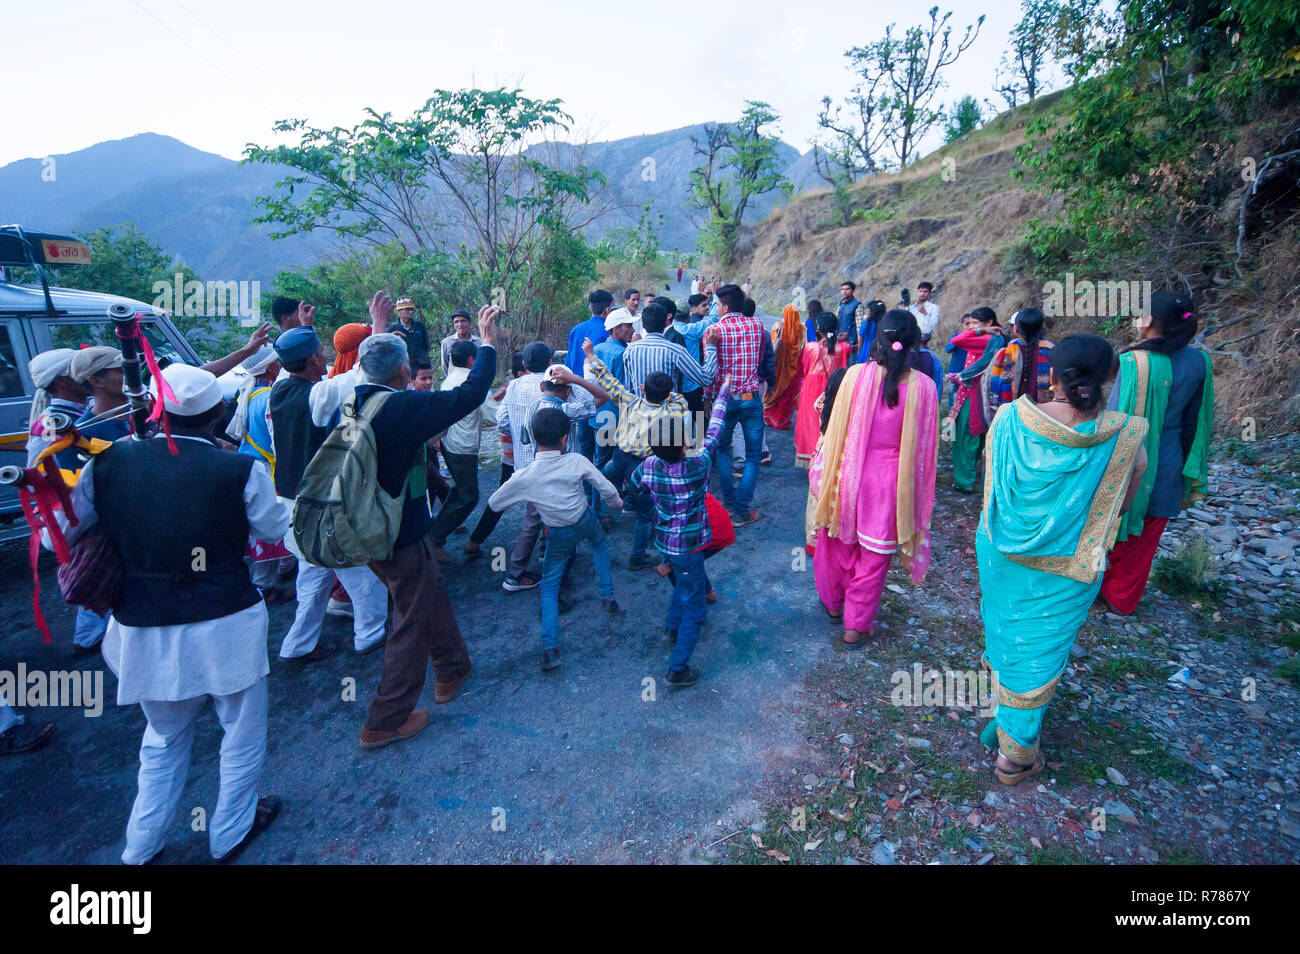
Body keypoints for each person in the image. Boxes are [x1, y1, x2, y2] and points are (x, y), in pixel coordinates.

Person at [61, 362, 289, 864]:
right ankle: (230, 831)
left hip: (142, 626)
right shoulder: (239, 469)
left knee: (162, 740)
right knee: (241, 731)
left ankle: (140, 847)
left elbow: (68, 526)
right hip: (226, 622)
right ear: (217, 416)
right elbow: (273, 529)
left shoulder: (109, 463)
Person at [978, 334, 1149, 784]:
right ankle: (1014, 755)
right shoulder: (1127, 435)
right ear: (1110, 379)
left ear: (1050, 376)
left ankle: (1007, 720)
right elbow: (1124, 500)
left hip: (1002, 551)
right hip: (1071, 562)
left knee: (1008, 631)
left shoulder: (1012, 418)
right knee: (1041, 650)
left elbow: (992, 482)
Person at [344, 309, 497, 749]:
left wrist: (377, 329)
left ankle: (452, 668)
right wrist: (487, 343)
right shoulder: (403, 407)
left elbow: (373, 363)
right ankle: (384, 719)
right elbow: (470, 394)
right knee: (410, 615)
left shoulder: (356, 397)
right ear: (403, 371)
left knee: (427, 591)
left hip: (369, 525)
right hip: (400, 531)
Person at [810, 311, 938, 649]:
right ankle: (856, 625)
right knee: (874, 557)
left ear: (877, 338)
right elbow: (926, 450)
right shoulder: (925, 388)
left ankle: (835, 605)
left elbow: (835, 432)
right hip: (892, 487)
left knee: (838, 543)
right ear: (914, 343)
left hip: (848, 477)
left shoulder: (854, 376)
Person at [269, 325, 388, 660]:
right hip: (322, 508)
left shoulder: (277, 391)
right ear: (310, 360)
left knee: (313, 580)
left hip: (292, 504)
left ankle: (297, 645)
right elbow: (360, 373)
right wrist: (377, 327)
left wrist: (296, 328)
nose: (326, 357)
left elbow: (288, 360)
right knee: (363, 576)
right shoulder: (317, 396)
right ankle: (370, 636)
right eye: (321, 352)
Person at [1099, 291, 1213, 616]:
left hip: (1132, 457)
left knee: (1112, 522)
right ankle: (1122, 599)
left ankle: (1094, 588)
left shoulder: (1135, 362)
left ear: (1148, 321)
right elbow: (1198, 422)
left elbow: (1115, 417)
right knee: (1145, 538)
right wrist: (1186, 470)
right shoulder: (1200, 362)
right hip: (1170, 462)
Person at [486, 406, 622, 671]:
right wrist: (616, 503)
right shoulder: (576, 461)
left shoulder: (526, 476)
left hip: (557, 533)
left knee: (549, 586)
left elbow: (494, 502)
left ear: (533, 436)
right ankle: (608, 598)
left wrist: (521, 491)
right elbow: (606, 488)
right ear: (565, 437)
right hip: (585, 520)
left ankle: (551, 650)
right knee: (599, 544)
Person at [629, 377, 733, 688]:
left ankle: (671, 627)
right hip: (690, 547)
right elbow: (714, 429)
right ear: (685, 445)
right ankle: (678, 668)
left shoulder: (647, 466)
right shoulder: (698, 465)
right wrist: (724, 390)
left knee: (685, 585)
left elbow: (634, 490)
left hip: (665, 541)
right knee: (695, 608)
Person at [567, 343, 689, 570]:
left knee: (600, 478)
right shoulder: (670, 410)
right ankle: (637, 556)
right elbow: (682, 402)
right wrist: (666, 393)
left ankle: (595, 515)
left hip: (620, 457)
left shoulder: (630, 401)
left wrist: (591, 355)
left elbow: (608, 380)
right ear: (667, 394)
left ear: (643, 389)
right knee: (645, 513)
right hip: (644, 466)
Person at [494, 342, 592, 591]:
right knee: (550, 518)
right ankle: (518, 574)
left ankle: (538, 558)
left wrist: (521, 437)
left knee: (535, 516)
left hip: (526, 465)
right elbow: (590, 405)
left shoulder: (514, 385)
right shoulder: (559, 387)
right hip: (556, 467)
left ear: (524, 365)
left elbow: (503, 422)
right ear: (551, 362)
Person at [704, 283, 766, 526]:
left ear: (725, 306)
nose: (715, 308)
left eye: (717, 304)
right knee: (752, 456)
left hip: (724, 398)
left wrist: (709, 399)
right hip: (750, 396)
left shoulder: (713, 330)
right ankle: (741, 510)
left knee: (722, 450)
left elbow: (711, 372)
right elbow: (759, 358)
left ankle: (729, 503)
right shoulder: (757, 325)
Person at [431, 339, 497, 560]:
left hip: (450, 444)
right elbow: (494, 416)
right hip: (464, 448)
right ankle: (436, 538)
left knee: (459, 490)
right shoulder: (473, 382)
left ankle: (437, 530)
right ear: (472, 360)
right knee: (469, 497)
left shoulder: (449, 379)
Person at [465, 353, 528, 556]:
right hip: (517, 457)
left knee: (500, 498)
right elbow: (500, 420)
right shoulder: (520, 390)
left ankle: (475, 540)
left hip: (511, 457)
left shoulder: (514, 389)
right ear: (521, 372)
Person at [946, 307, 1005, 493]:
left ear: (989, 324)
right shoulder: (996, 340)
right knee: (973, 437)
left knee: (965, 438)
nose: (971, 328)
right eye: (969, 324)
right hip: (977, 393)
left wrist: (980, 331)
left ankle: (965, 482)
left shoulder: (987, 340)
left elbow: (955, 340)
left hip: (972, 395)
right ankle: (972, 477)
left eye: (975, 323)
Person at [794, 313, 852, 467]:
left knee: (811, 422)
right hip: (834, 388)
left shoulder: (810, 347)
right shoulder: (844, 348)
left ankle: (812, 458)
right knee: (831, 421)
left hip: (811, 388)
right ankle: (828, 457)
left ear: (818, 330)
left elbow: (804, 369)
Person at [26, 349, 88, 467]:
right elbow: (39, 469)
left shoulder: (86, 409)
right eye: (81, 372)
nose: (89, 376)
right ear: (62, 381)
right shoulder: (51, 422)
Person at [988, 307, 1053, 411]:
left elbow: (997, 381)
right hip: (1044, 411)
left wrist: (996, 403)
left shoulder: (1009, 350)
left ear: (1016, 328)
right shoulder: (1050, 350)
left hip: (1014, 409)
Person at [763, 304, 805, 429]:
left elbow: (772, 345)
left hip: (778, 367)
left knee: (775, 391)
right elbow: (802, 349)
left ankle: (770, 418)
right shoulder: (802, 330)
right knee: (787, 394)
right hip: (794, 369)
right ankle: (782, 421)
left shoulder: (778, 327)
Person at [438, 310, 482, 379]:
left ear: (470, 323)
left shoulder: (479, 342)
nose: (460, 325)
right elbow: (445, 365)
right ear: (453, 325)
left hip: (474, 381)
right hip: (454, 382)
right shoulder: (447, 342)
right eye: (456, 322)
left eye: (463, 321)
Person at [393, 298, 431, 370]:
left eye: (412, 309)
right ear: (399, 312)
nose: (410, 312)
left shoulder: (420, 326)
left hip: (421, 365)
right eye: (407, 309)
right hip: (403, 367)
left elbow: (425, 345)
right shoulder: (393, 330)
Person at [835, 282, 862, 356]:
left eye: (847, 289)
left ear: (853, 291)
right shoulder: (841, 305)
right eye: (842, 289)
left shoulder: (857, 305)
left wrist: (859, 344)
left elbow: (859, 327)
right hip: (840, 342)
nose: (844, 291)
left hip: (852, 344)